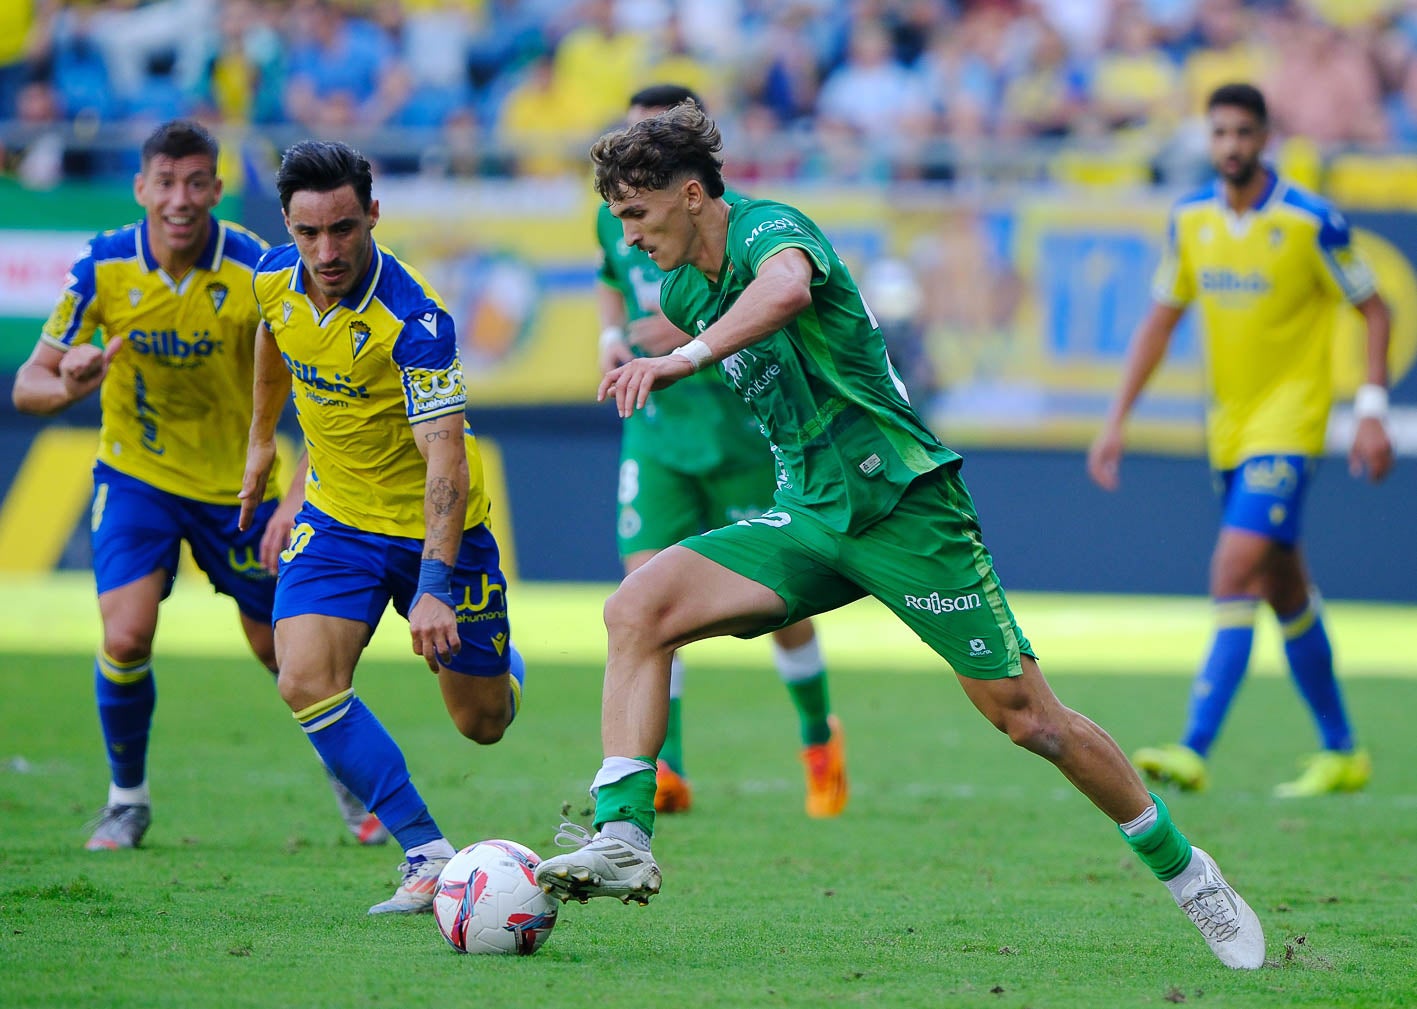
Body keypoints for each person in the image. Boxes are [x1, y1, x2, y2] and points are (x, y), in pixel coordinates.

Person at [533, 102, 1266, 971]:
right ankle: (623, 835)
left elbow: (787, 291)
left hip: (907, 508)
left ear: (691, 194)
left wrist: (681, 359)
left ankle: (1187, 872)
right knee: (637, 606)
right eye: (616, 220)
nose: (628, 236)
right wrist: (645, 346)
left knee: (1030, 720)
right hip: (807, 513)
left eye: (636, 215)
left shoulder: (776, 229)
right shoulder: (683, 291)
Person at [11, 119, 386, 852]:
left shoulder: (259, 268)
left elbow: (330, 377)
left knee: (286, 653)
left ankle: (350, 782)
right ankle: (127, 799)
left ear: (216, 189)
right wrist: (67, 386)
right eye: (165, 182)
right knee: (125, 633)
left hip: (236, 491)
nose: (180, 198)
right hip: (136, 477)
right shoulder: (103, 263)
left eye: (195, 182)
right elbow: (31, 381)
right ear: (141, 187)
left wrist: (292, 494)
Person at [238, 139, 526, 915]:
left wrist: (434, 588)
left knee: (483, 724)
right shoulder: (272, 276)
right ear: (287, 226)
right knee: (302, 677)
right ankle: (425, 849)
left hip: (438, 531)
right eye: (308, 232)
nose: (325, 251)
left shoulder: (417, 320)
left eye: (342, 229)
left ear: (372, 214)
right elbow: (272, 337)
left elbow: (446, 462)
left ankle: (502, 660)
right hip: (336, 521)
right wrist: (265, 441)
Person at [1087, 82, 1392, 798]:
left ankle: (1193, 746)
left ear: (1264, 138)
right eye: (1219, 133)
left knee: (1232, 570)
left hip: (1288, 425)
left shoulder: (1311, 221)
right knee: (1284, 589)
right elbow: (1160, 321)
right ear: (1207, 138)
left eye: (1242, 133)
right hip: (1226, 427)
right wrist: (1115, 417)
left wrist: (1370, 407)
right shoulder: (1189, 219)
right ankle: (1342, 751)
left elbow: (1374, 311)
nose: (1230, 146)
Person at [596, 83, 846, 818]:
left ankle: (817, 738)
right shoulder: (615, 217)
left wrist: (687, 342)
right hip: (659, 426)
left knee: (777, 610)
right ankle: (662, 768)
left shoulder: (751, 232)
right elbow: (609, 282)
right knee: (643, 597)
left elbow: (774, 296)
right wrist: (609, 339)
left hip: (743, 425)